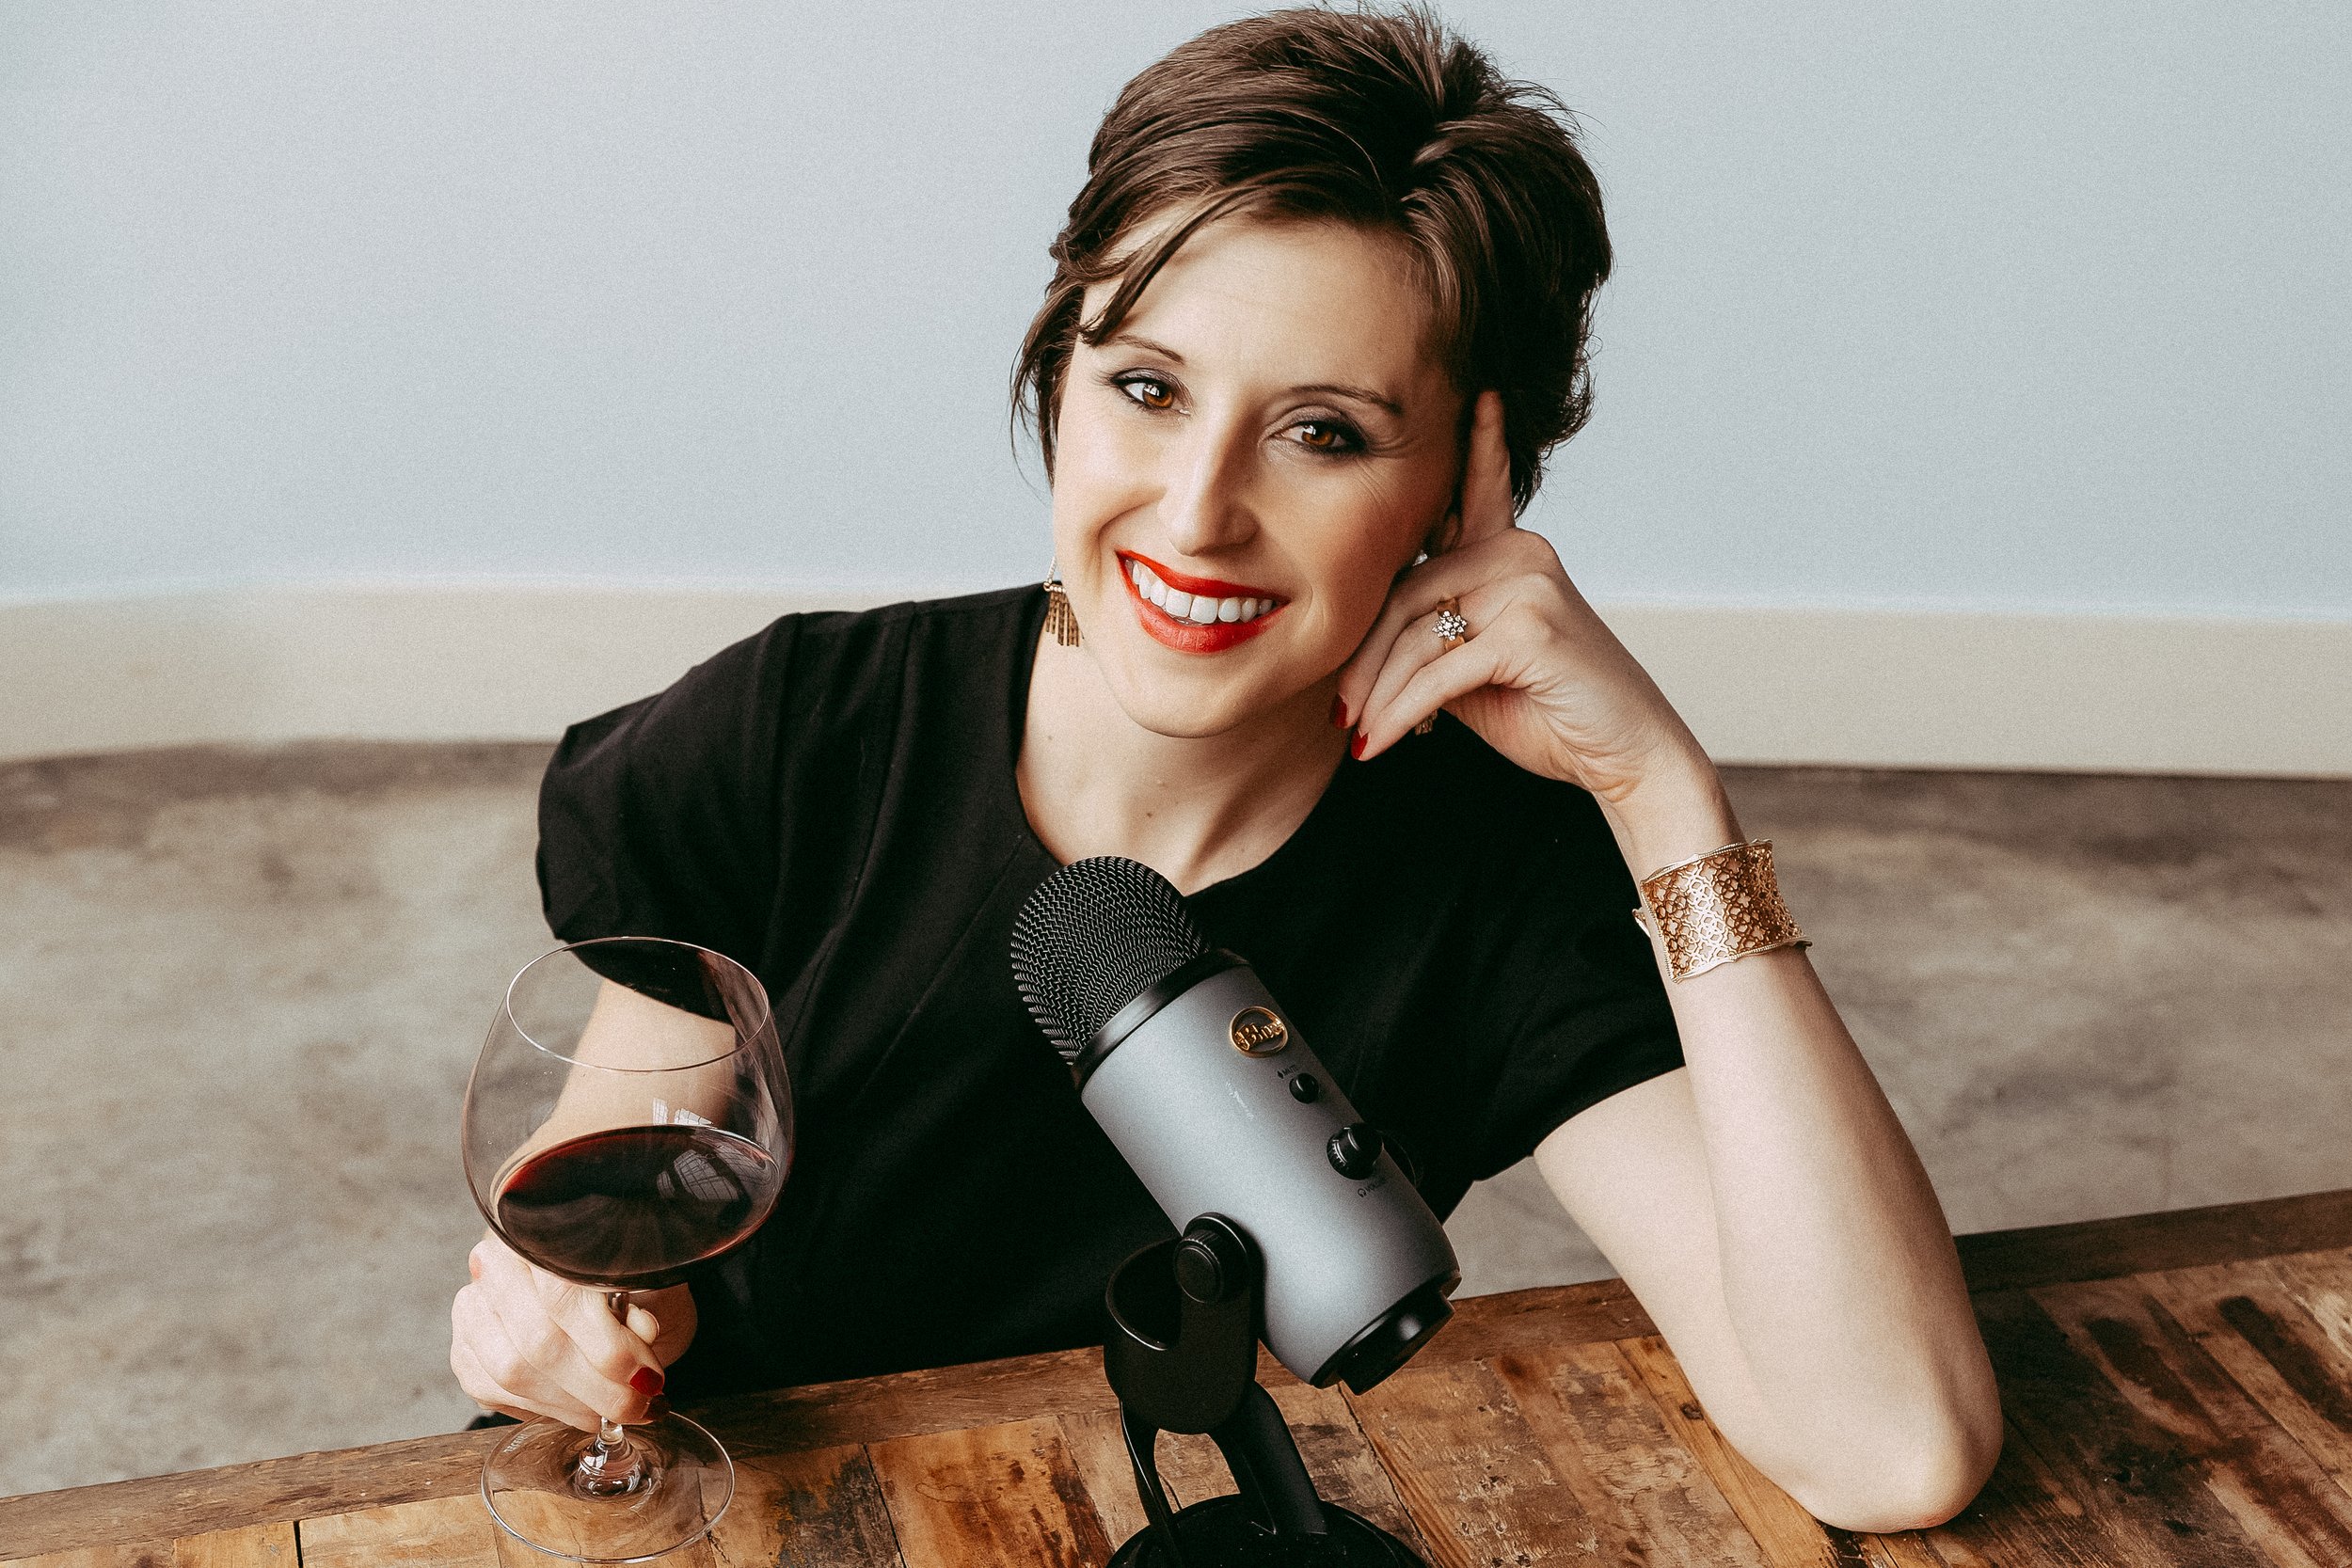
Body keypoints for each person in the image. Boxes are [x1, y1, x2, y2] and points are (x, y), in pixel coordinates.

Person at [449, 5, 2002, 1531]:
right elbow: (611, 1218)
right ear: (1060, 375)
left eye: (1322, 432)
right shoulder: (796, 735)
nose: (1197, 513)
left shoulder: (1492, 877)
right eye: (1146, 386)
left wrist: (1668, 796)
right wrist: (554, 1320)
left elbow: (1888, 1448)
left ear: (1471, 484)